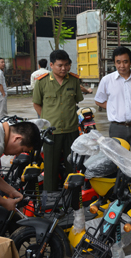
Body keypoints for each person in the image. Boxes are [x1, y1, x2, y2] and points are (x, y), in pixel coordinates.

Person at [33, 50, 84, 192]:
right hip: (51, 132)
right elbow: (36, 103)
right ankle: (50, 198)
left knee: (72, 165)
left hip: (71, 130)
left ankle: (73, 197)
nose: (64, 68)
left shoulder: (74, 80)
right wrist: (46, 120)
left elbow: (77, 101)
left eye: (67, 65)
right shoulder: (42, 82)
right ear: (51, 65)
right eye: (60, 65)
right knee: (50, 166)